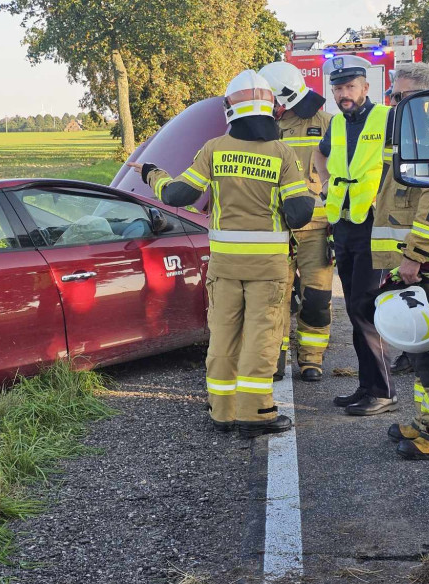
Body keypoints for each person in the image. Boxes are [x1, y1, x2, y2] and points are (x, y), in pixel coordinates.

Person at [127, 69, 314, 438]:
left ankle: (222, 411)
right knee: (261, 336)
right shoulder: (282, 153)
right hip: (268, 269)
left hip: (225, 266)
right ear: (272, 110)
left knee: (223, 335)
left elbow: (177, 195)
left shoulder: (214, 149)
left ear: (230, 109)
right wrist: (304, 193)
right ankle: (256, 413)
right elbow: (299, 213)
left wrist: (152, 173)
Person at [373, 63, 429, 459]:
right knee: (419, 350)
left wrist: (415, 258)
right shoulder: (418, 135)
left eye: (401, 96)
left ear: (425, 99)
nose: (393, 102)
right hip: (405, 259)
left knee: (426, 348)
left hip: (419, 264)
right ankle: (426, 421)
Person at [311, 55, 395, 416]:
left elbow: (399, 165)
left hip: (374, 227)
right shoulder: (338, 124)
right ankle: (366, 387)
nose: (344, 93)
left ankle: (384, 392)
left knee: (366, 309)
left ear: (365, 87)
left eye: (350, 87)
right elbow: (320, 153)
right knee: (355, 307)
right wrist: (326, 183)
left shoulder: (386, 119)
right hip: (345, 224)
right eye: (338, 88)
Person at [259, 61, 334, 383]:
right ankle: (274, 357)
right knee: (276, 298)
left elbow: (345, 174)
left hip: (317, 229)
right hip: (274, 227)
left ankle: (312, 358)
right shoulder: (258, 126)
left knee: (317, 298)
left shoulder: (329, 123)